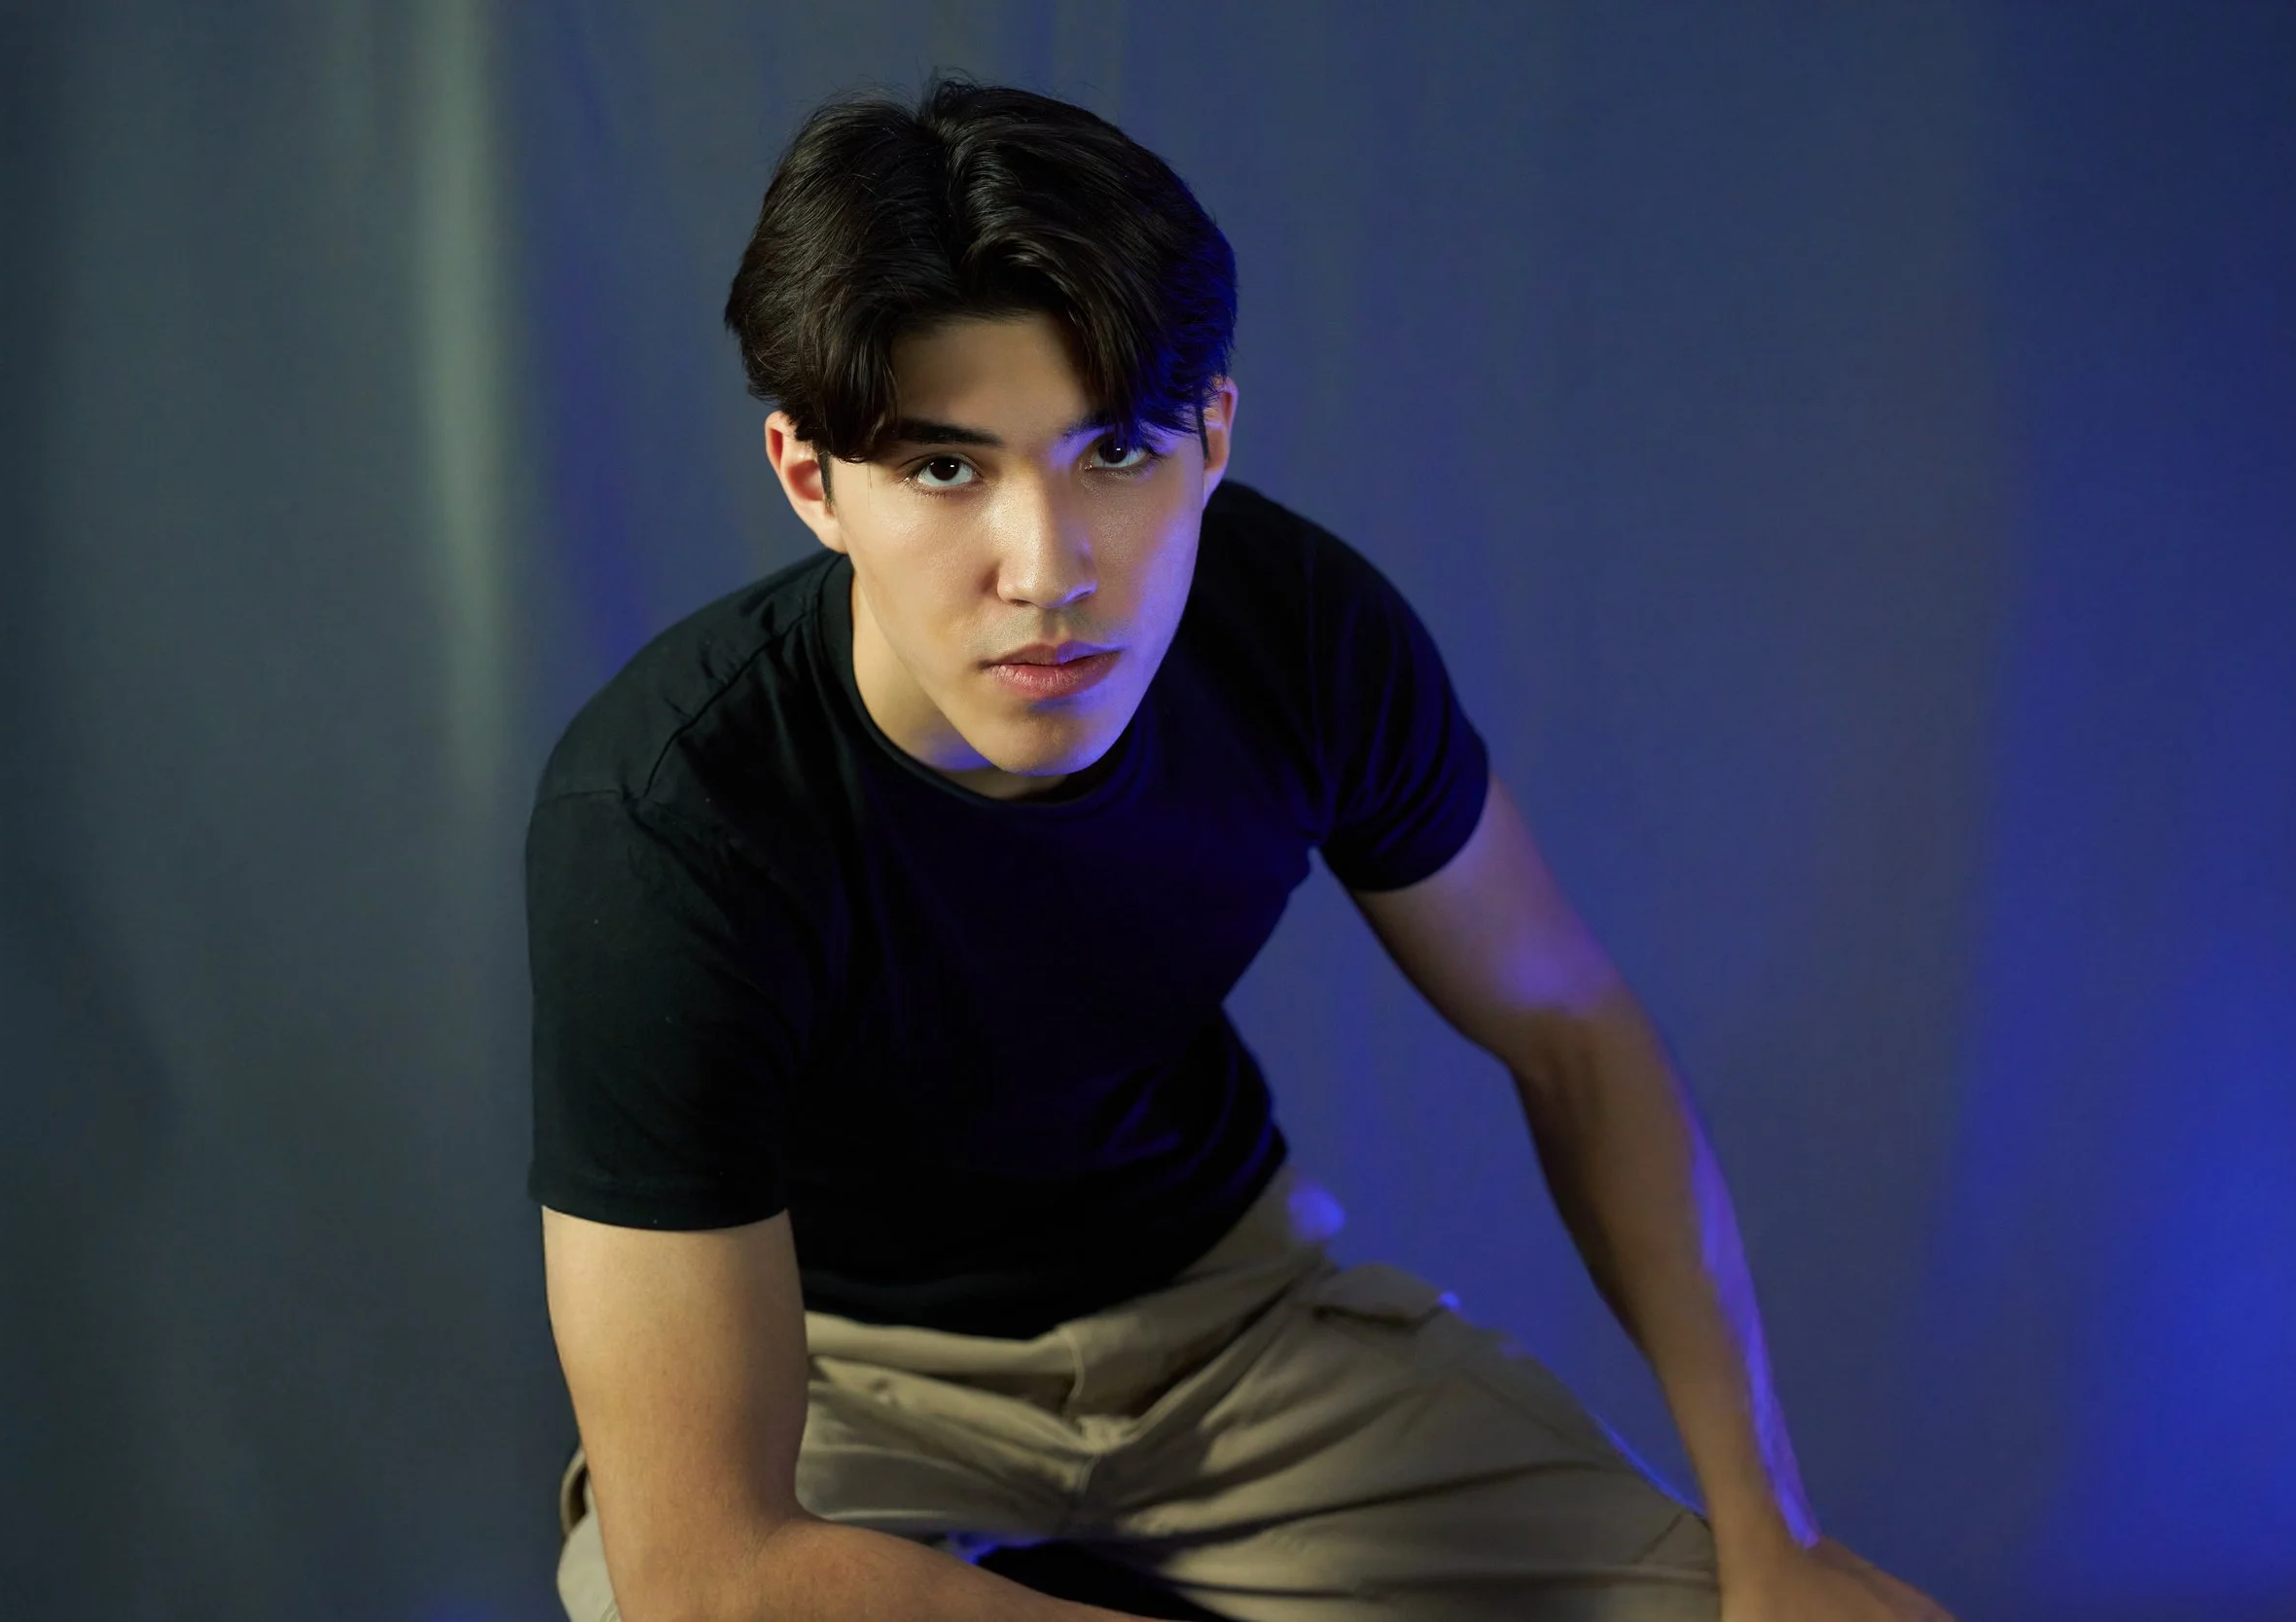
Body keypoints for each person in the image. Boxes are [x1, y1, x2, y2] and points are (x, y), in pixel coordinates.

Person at [527, 76, 1952, 1622]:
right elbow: (708, 1568)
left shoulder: (1301, 634)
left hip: (1231, 1324)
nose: (1050, 569)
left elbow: (1571, 1030)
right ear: (814, 481)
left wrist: (1772, 1532)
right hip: (843, 1382)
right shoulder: (672, 820)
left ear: (1212, 436)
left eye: (1117, 452)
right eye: (947, 469)